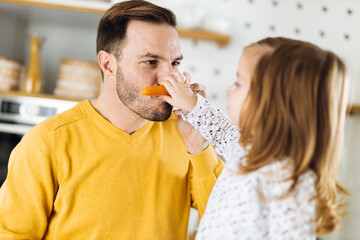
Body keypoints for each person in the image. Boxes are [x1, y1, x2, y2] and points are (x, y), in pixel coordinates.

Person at [0, 1, 223, 239]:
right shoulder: (47, 142)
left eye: (175, 63)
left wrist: (199, 144)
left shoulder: (186, 138)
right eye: (150, 62)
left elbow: (228, 220)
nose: (171, 78)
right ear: (108, 64)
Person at [160, 37, 349, 239]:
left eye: (239, 83)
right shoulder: (253, 152)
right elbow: (221, 132)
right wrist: (192, 104)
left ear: (274, 104)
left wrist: (192, 104)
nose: (229, 89)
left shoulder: (289, 182)